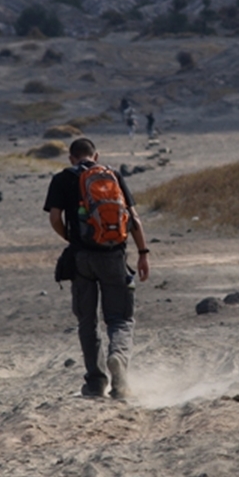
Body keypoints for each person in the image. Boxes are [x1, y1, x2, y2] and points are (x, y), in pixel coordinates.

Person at [44, 138, 151, 399]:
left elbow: (55, 218)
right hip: (113, 255)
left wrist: (71, 238)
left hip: (81, 259)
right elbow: (133, 218)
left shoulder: (62, 179)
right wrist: (143, 253)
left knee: (87, 321)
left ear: (71, 158)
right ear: (96, 155)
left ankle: (95, 382)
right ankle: (118, 361)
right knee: (120, 318)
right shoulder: (112, 175)